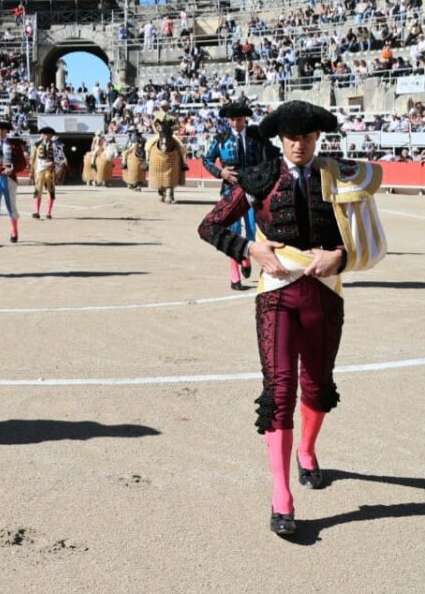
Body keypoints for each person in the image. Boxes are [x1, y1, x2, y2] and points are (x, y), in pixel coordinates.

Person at [197, 100, 386, 537]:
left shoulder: (339, 177)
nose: (298, 144)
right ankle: (282, 496)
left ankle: (307, 449)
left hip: (324, 294)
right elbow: (209, 226)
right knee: (279, 391)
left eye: (305, 136)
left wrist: (340, 257)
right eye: (290, 137)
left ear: (317, 137)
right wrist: (250, 250)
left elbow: (362, 240)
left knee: (318, 387)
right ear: (281, 139)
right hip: (277, 296)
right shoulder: (260, 178)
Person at [202, 100, 279, 290]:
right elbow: (206, 160)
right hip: (230, 191)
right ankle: (235, 272)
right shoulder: (221, 139)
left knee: (255, 230)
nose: (236, 123)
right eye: (232, 119)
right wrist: (221, 173)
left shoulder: (256, 137)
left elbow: (268, 159)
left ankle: (249, 258)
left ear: (245, 118)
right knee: (233, 231)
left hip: (254, 190)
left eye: (239, 119)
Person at [147, 113, 187, 203]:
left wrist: (176, 122)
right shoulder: (158, 117)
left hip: (170, 136)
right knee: (148, 145)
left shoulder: (171, 118)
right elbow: (153, 125)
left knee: (181, 147)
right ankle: (146, 161)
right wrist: (154, 121)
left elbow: (178, 127)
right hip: (159, 135)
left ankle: (183, 163)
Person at [29, 126, 67, 219]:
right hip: (39, 169)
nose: (46, 136)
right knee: (38, 190)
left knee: (51, 190)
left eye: (48, 134)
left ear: (51, 135)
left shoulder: (57, 145)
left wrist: (57, 166)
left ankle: (48, 213)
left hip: (50, 169)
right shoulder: (37, 144)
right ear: (43, 134)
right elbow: (32, 158)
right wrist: (31, 171)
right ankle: (37, 212)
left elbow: (61, 158)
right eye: (45, 134)